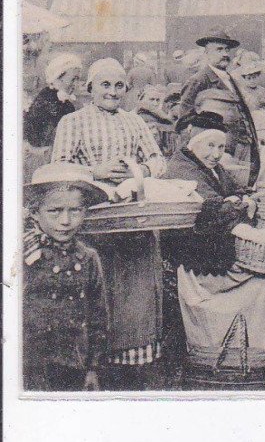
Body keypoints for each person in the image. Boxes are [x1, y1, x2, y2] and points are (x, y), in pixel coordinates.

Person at [51, 57, 167, 379]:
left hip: (132, 218)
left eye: (119, 85)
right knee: (101, 285)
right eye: (105, 84)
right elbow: (58, 167)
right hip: (94, 222)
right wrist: (94, 172)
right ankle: (94, 364)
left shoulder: (135, 123)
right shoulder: (72, 122)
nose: (112, 92)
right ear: (90, 88)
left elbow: (158, 161)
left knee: (136, 288)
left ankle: (134, 362)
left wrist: (139, 169)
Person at [161, 112, 265, 371]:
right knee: (263, 284)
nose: (217, 153)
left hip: (212, 250)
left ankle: (263, 352)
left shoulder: (210, 167)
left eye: (221, 147)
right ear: (193, 143)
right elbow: (212, 211)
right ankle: (244, 353)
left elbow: (233, 195)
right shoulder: (182, 170)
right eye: (211, 146)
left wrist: (241, 200)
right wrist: (240, 205)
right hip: (196, 263)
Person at [22, 163, 109, 391]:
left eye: (75, 210)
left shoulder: (87, 257)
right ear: (34, 212)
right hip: (28, 366)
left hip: (74, 366)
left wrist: (93, 367)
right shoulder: (23, 254)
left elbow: (98, 316)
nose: (65, 221)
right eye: (54, 211)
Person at [177, 28, 260, 187]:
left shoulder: (230, 78)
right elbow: (183, 121)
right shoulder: (199, 80)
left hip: (242, 145)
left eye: (227, 50)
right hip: (220, 151)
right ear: (207, 53)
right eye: (219, 49)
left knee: (243, 188)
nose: (225, 54)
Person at [24, 52, 82, 149]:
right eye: (73, 79)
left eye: (78, 79)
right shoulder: (47, 99)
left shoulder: (64, 101)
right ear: (58, 78)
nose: (76, 84)